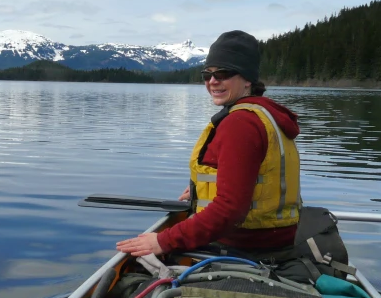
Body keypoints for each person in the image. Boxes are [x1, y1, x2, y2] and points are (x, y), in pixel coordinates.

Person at [116, 30, 301, 257]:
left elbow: (230, 210)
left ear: (247, 79)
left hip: (246, 247)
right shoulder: (265, 114)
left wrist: (164, 241)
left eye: (223, 73)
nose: (213, 81)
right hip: (277, 241)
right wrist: (204, 188)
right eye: (207, 74)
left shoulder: (241, 123)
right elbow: (253, 178)